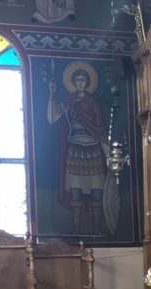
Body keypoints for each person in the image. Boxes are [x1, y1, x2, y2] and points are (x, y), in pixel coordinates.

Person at [47, 62, 108, 235]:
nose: (80, 83)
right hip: (75, 149)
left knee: (97, 191)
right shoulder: (69, 101)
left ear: (87, 82)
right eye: (78, 80)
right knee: (75, 191)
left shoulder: (93, 103)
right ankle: (76, 229)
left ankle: (97, 228)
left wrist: (107, 150)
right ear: (73, 82)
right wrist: (51, 94)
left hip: (93, 150)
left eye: (83, 80)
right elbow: (52, 118)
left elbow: (99, 129)